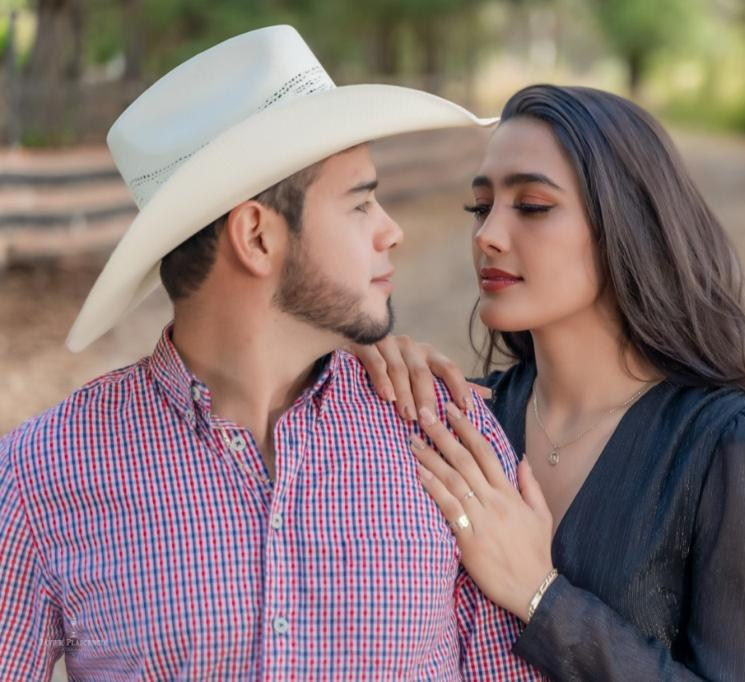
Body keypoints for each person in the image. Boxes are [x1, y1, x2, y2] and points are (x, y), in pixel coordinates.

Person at [0, 26, 543, 680]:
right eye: (360, 202)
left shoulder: (444, 434)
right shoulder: (38, 476)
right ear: (256, 236)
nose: (390, 230)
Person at [354, 84, 745, 680]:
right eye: (480, 206)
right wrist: (361, 362)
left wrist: (542, 596)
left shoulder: (733, 442)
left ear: (626, 225)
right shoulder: (460, 420)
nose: (487, 234)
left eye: (532, 205)